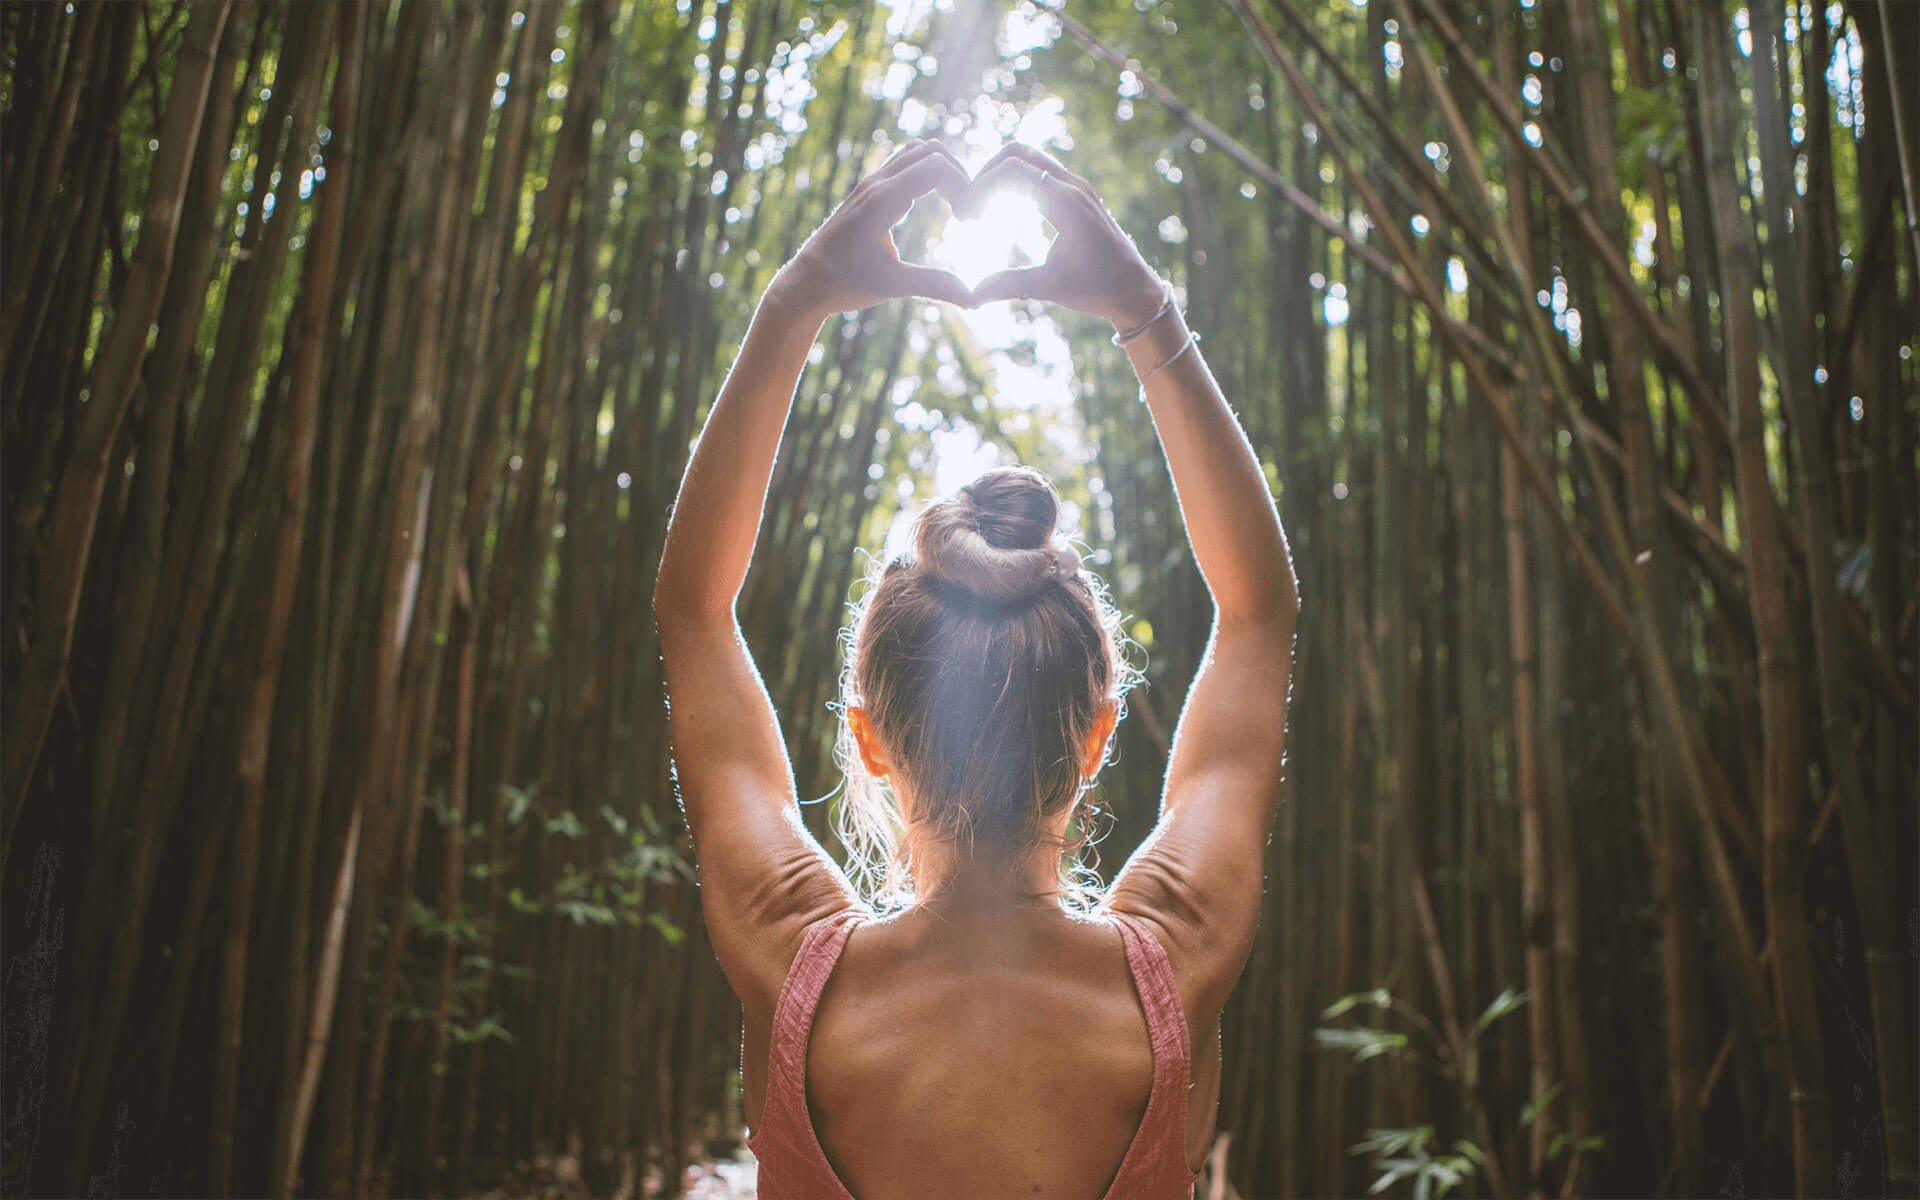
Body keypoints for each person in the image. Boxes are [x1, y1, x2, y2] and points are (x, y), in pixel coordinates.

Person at [653, 138, 1299, 1200]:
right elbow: (1258, 615)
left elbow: (693, 614)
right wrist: (1146, 314)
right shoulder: (1169, 974)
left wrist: (794, 306)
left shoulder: (794, 966)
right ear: (1098, 732)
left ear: (867, 737)